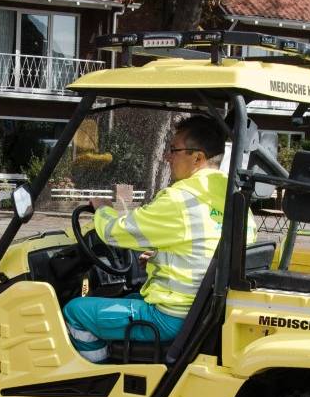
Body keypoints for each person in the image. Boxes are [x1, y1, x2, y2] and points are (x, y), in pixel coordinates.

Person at [62, 116, 255, 363]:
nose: (167, 157)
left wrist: (102, 209)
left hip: (170, 316)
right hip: (202, 311)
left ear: (198, 158)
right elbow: (204, 247)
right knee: (124, 297)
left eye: (174, 150)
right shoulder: (234, 197)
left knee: (76, 311)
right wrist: (159, 257)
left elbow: (117, 232)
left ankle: (94, 373)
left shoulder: (181, 199)